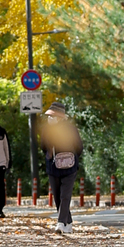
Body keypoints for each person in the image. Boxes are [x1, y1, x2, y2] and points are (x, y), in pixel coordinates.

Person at [41, 101, 82, 235]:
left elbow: (79, 147)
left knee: (65, 195)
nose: (50, 119)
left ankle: (60, 223)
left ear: (60, 118)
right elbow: (43, 147)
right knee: (57, 196)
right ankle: (68, 223)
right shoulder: (46, 130)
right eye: (49, 116)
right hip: (53, 167)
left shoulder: (70, 129)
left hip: (69, 167)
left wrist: (69, 155)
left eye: (52, 117)